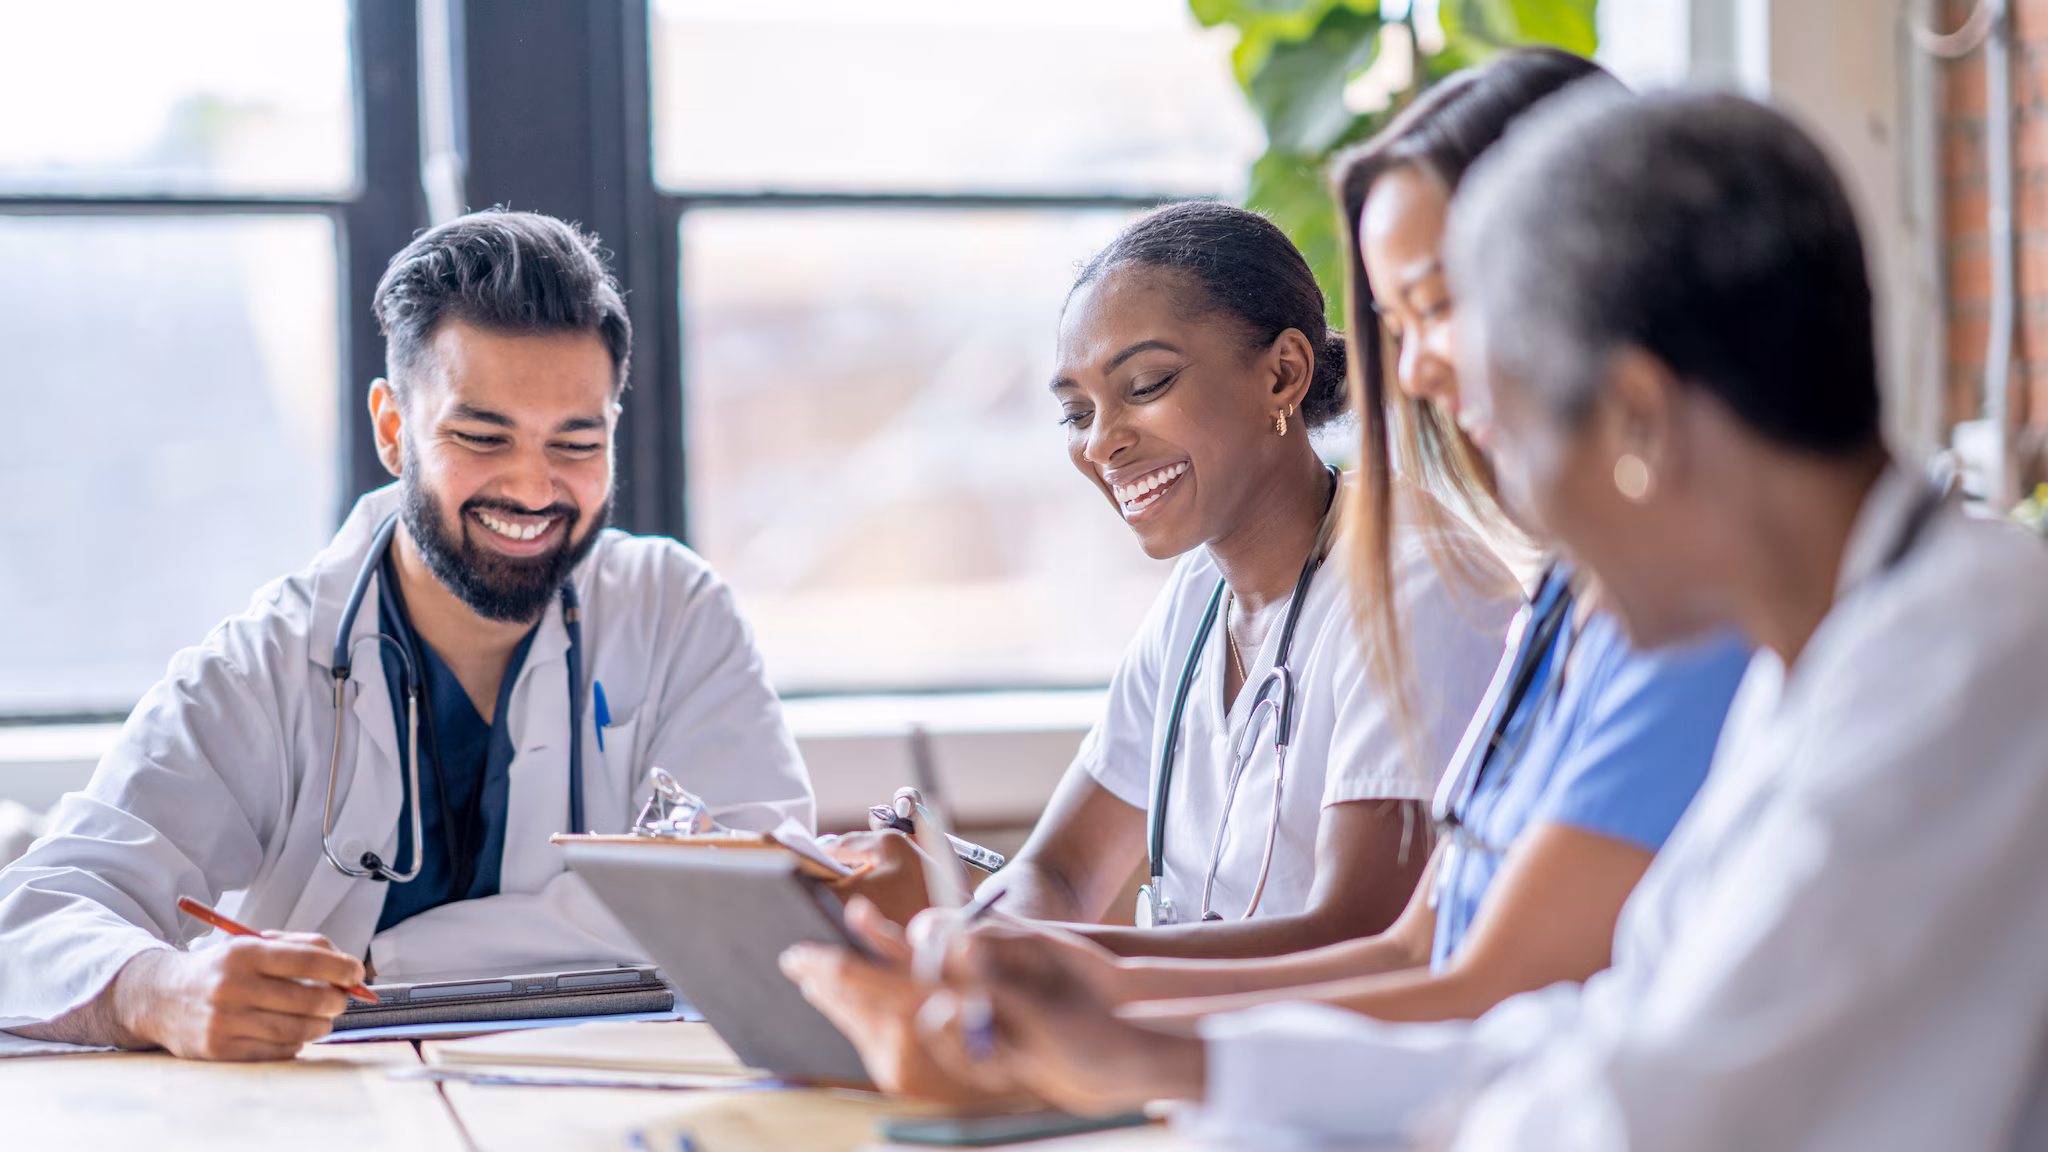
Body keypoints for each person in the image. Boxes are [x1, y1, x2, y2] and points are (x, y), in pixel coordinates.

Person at [903, 91, 2048, 1149]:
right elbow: (1576, 1039)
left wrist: (1152, 1047)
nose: (1533, 540)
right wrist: (1142, 1047)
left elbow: (1650, 1104)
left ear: (1635, 423)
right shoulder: (1814, 656)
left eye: (1515, 435)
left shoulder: (1956, 669)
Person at [786, 47, 1747, 1081]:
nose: (1416, 368)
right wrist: (1015, 970)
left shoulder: (1561, 604)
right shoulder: (1573, 603)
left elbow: (1433, 966)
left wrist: (1094, 1014)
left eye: (1440, 309)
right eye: (1073, 411)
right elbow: (1412, 950)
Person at [0, 210, 814, 1060]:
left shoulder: (675, 614)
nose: (535, 488)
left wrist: (383, 962)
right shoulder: (265, 668)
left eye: (576, 442)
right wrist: (157, 991)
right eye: (481, 436)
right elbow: (36, 913)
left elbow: (761, 912)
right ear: (393, 429)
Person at [832, 201, 1517, 962]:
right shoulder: (1198, 599)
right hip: (1199, 1056)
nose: (1103, 442)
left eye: (1147, 383)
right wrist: (961, 923)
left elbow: (1359, 938)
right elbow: (1059, 875)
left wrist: (1039, 962)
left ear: (1282, 374)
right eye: (1075, 411)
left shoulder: (1418, 587)